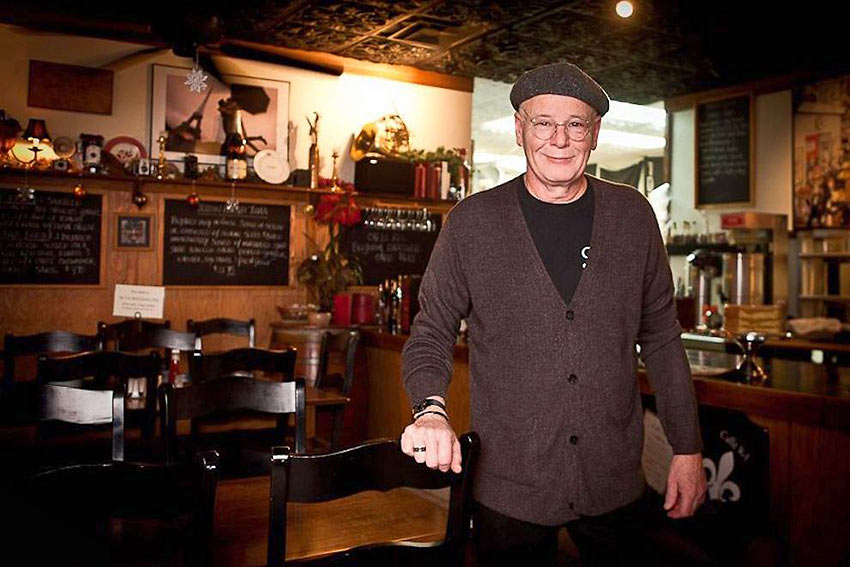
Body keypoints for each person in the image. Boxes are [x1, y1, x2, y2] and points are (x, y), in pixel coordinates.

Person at [400, 62, 707, 566]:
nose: (559, 139)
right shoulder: (471, 224)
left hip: (615, 481)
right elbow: (431, 330)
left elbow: (662, 339)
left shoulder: (633, 217)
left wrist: (688, 449)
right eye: (543, 122)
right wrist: (430, 410)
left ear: (595, 134)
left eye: (575, 124)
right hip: (508, 486)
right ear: (520, 129)